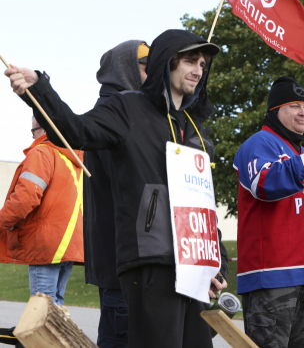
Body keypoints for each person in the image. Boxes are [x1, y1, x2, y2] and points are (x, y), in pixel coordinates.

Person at [4, 29, 229, 348]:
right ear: (167, 63)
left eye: (203, 64)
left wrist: (215, 259)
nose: (198, 70)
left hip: (192, 267)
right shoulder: (126, 107)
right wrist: (39, 89)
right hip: (149, 260)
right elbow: (75, 130)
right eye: (190, 61)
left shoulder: (193, 127)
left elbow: (202, 202)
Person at [233, 76, 304, 348]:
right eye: (294, 105)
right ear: (275, 110)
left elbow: (302, 207)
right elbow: (263, 184)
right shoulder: (259, 143)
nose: (303, 112)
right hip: (273, 276)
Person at [83, 40, 149, 348]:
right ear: (124, 68)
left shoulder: (131, 113)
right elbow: (135, 187)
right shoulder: (114, 115)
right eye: (146, 65)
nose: (154, 71)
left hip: (132, 262)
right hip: (123, 264)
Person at [0, 116, 84, 306]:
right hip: (68, 243)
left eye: (33, 131)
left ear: (45, 129)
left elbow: (25, 198)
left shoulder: (41, 153)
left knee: (42, 308)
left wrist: (2, 221)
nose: (32, 138)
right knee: (55, 306)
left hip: (46, 244)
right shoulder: (73, 159)